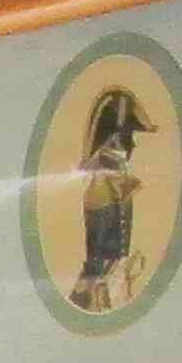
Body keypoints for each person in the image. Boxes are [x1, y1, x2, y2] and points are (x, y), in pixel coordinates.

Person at [72, 83, 152, 312]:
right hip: (104, 206)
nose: (133, 143)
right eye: (128, 135)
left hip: (111, 204)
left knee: (110, 265)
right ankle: (91, 302)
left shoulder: (118, 177)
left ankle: (98, 301)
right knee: (98, 266)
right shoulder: (108, 169)